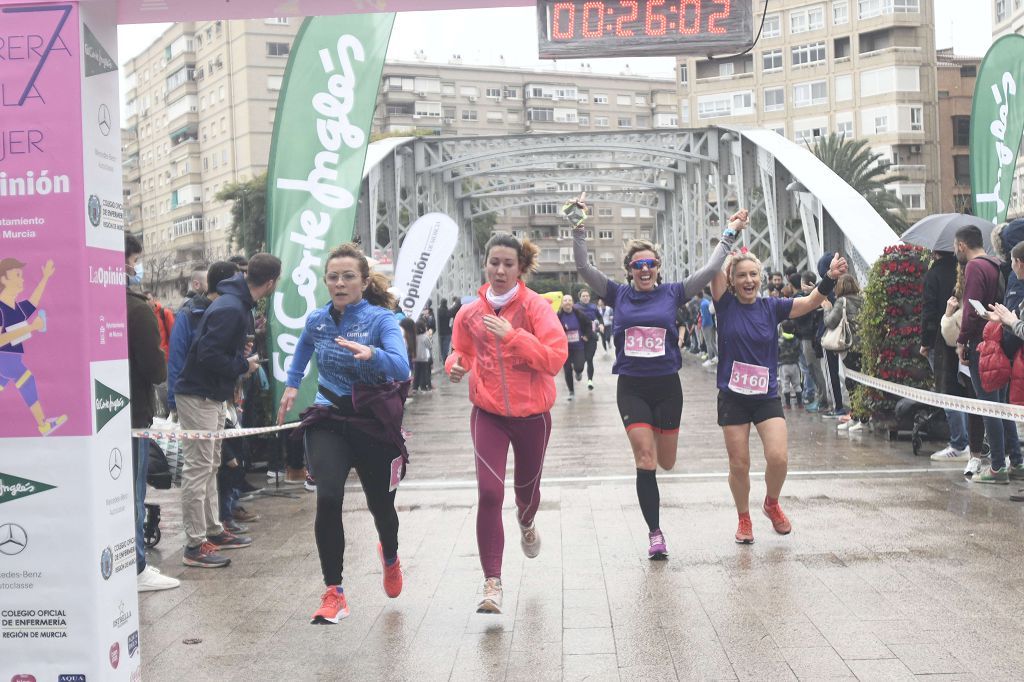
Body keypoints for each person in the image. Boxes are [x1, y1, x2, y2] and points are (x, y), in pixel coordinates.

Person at [574, 198, 748, 560]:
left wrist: (730, 233)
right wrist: (578, 226)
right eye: (638, 265)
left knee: (667, 461)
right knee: (645, 458)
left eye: (650, 264)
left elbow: (711, 267)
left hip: (667, 387)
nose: (645, 269)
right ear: (629, 270)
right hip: (633, 387)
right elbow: (583, 266)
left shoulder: (673, 292)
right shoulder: (617, 294)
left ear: (658, 267)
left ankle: (657, 457)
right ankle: (655, 534)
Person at [277, 243, 410, 625]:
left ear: (364, 281)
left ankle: (390, 556)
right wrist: (291, 383)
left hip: (373, 424)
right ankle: (334, 592)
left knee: (381, 509)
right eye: (333, 276)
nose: (340, 282)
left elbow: (401, 367)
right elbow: (305, 346)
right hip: (329, 419)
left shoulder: (381, 320)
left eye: (348, 276)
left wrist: (373, 356)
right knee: (329, 496)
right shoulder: (318, 320)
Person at [446, 233, 566, 614]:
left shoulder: (535, 308)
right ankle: (492, 583)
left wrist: (513, 336)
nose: (499, 270)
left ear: (520, 268)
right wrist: (455, 366)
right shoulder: (469, 313)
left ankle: (527, 520)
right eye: (494, 262)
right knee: (489, 493)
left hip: (533, 417)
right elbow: (459, 351)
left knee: (525, 493)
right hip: (489, 415)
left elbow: (555, 358)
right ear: (485, 264)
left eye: (508, 264)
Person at [711, 248, 848, 544]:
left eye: (753, 275)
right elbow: (712, 269)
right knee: (739, 463)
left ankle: (771, 503)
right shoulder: (724, 305)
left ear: (760, 278)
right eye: (741, 275)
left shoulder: (771, 307)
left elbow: (812, 301)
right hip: (732, 395)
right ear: (731, 281)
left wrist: (829, 278)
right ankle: (744, 518)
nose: (748, 280)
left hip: (765, 395)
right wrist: (728, 237)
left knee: (778, 458)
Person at [175, 253, 281, 567]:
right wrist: (241, 364)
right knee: (199, 468)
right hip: (199, 395)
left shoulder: (234, 303)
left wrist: (237, 353)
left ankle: (212, 531)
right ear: (271, 282)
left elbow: (211, 347)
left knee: (209, 465)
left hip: (209, 394)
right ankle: (194, 545)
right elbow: (207, 354)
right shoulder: (232, 307)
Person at [123, 234, 178, 592]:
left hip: (100, 416)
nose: (137, 268)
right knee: (132, 493)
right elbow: (156, 369)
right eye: (136, 260)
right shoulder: (136, 307)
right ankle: (137, 566)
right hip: (133, 415)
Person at [955, 225, 1021, 484]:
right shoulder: (997, 263)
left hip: (983, 346)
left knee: (988, 406)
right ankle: (1016, 460)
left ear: (962, 245)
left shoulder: (973, 267)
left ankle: (996, 467)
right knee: (1001, 407)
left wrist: (962, 342)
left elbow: (971, 312)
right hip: (1002, 341)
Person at [0, 257, 64, 436]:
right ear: (4, 279)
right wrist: (31, 327)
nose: (22, 279)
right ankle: (43, 425)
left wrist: (45, 278)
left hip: (10, 358)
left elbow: (32, 304)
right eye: (17, 275)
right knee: (27, 380)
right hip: (5, 358)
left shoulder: (14, 307)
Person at [167, 261, 239, 418]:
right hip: (195, 398)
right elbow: (176, 359)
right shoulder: (188, 314)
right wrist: (173, 403)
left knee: (216, 444)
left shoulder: (229, 314)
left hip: (220, 398)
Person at [918, 251, 971, 461]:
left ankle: (959, 443)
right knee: (963, 391)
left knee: (946, 391)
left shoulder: (934, 274)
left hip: (941, 340)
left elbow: (929, 311)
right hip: (963, 339)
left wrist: (925, 342)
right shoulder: (965, 272)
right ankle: (969, 442)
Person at [825, 275, 867, 432]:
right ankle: (859, 417)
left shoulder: (841, 301)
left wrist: (827, 308)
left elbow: (830, 322)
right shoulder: (862, 300)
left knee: (852, 383)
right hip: (863, 346)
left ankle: (859, 418)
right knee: (861, 382)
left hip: (849, 346)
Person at [557, 293, 591, 400]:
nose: (567, 302)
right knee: (567, 370)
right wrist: (562, 329)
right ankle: (571, 391)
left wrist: (586, 335)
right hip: (564, 349)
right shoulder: (558, 316)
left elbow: (588, 324)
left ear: (572, 302)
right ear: (562, 304)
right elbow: (553, 329)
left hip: (578, 346)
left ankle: (578, 372)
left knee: (579, 366)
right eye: (565, 301)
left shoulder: (579, 314)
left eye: (569, 300)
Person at [575, 289, 601, 389]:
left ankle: (590, 381)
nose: (586, 298)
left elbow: (599, 317)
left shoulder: (593, 307)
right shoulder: (576, 307)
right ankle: (578, 372)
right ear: (580, 297)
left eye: (587, 296)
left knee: (589, 359)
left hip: (592, 337)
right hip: (580, 337)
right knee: (581, 359)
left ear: (589, 297)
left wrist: (601, 324)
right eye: (583, 296)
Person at [777, 320, 802, 409]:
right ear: (793, 329)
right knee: (797, 384)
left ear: (782, 329)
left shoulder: (779, 341)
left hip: (783, 366)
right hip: (795, 365)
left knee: (785, 384)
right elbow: (800, 351)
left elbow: (776, 353)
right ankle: (800, 404)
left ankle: (787, 404)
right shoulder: (797, 340)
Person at [413, 320, 433, 392]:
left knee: (416, 373)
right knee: (423, 373)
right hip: (423, 358)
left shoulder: (414, 337)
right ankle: (423, 387)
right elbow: (430, 346)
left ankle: (415, 387)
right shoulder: (425, 337)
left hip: (415, 357)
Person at [700, 287, 717, 367]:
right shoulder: (707, 301)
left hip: (707, 324)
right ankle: (717, 356)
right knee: (713, 342)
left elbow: (705, 316)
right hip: (712, 323)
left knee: (708, 342)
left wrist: (703, 325)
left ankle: (710, 359)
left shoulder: (703, 304)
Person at [437, 298, 453, 362]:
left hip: (440, 332)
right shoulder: (448, 311)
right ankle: (444, 358)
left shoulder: (438, 311)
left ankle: (442, 357)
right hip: (447, 332)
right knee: (446, 347)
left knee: (441, 346)